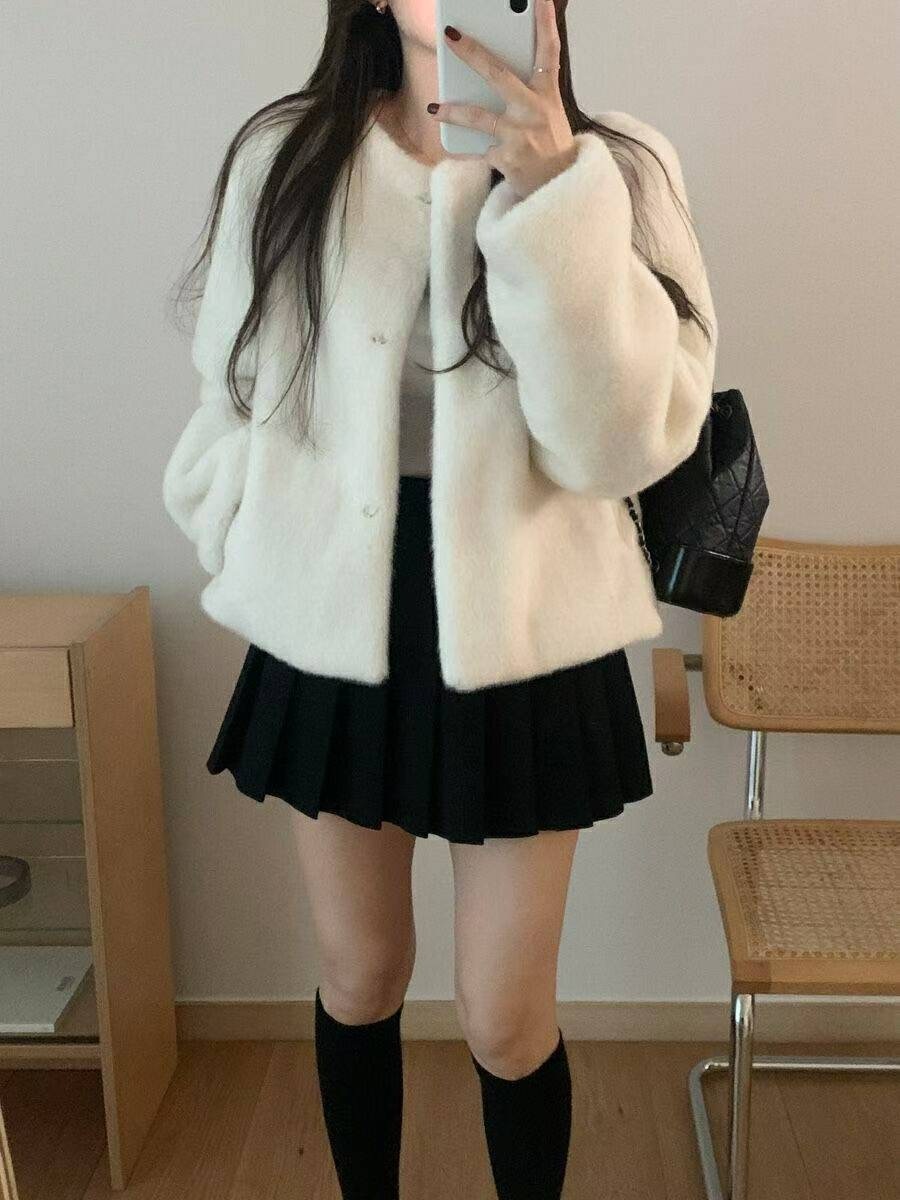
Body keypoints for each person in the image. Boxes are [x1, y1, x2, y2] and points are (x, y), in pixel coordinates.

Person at [162, 2, 718, 1196]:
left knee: (505, 1017)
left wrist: (556, 199)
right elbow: (233, 388)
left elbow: (625, 450)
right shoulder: (288, 157)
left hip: (527, 625)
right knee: (360, 976)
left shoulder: (622, 167)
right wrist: (243, 532)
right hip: (335, 614)